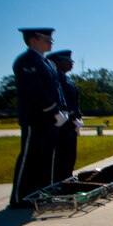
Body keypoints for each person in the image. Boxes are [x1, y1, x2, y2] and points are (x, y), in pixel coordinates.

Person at [9, 27, 68, 208]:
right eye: (46, 38)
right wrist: (53, 110)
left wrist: (63, 110)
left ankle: (42, 192)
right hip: (35, 117)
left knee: (46, 157)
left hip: (50, 118)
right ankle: (21, 197)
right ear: (33, 40)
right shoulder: (26, 61)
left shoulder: (48, 63)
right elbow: (35, 90)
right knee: (31, 157)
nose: (51, 42)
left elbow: (57, 90)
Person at [47, 50, 83, 182]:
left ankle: (67, 176)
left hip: (71, 122)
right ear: (57, 62)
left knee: (69, 153)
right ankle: (59, 180)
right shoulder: (56, 79)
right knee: (60, 153)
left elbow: (74, 102)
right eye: (68, 61)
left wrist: (78, 117)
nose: (71, 63)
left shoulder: (67, 79)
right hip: (61, 122)